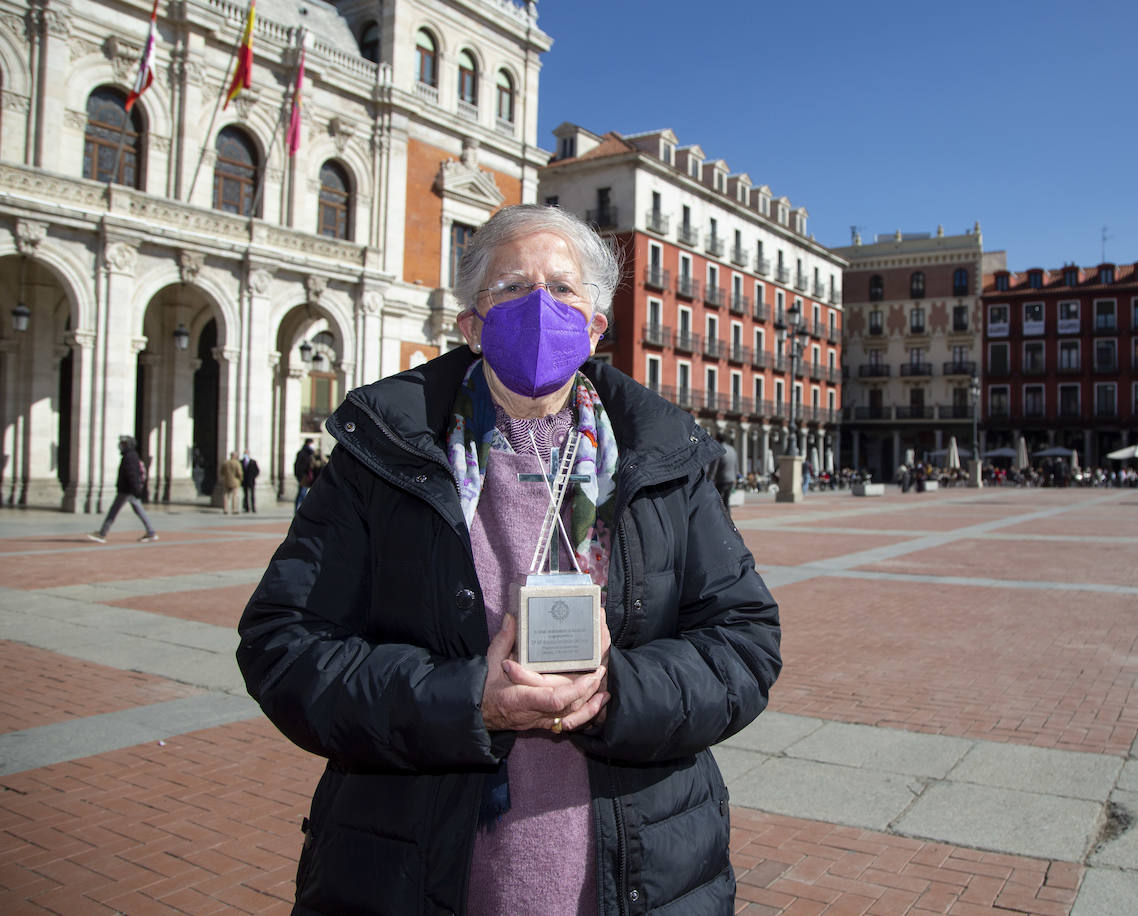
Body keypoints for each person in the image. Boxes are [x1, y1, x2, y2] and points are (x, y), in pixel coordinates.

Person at [237, 204, 782, 915]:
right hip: (415, 873)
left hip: (639, 877)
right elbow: (283, 646)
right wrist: (466, 700)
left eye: (561, 289)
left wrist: (619, 690)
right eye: (510, 288)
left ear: (593, 328)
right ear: (471, 325)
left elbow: (745, 642)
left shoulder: (666, 461)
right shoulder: (382, 457)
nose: (537, 306)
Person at [87, 436, 157, 543]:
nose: (121, 446)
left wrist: (135, 489)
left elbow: (132, 474)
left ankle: (102, 534)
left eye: (124, 444)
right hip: (129, 490)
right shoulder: (131, 456)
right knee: (138, 510)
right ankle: (151, 531)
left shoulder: (129, 457)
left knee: (113, 511)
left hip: (126, 491)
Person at [713, 438, 738, 518]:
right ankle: (728, 516)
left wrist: (710, 478)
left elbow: (715, 467)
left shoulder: (719, 449)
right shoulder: (732, 450)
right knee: (727, 500)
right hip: (731, 479)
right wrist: (735, 477)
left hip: (722, 479)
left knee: (719, 500)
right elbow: (736, 465)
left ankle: (721, 517)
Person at [293, 438, 315, 511]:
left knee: (302, 493)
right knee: (302, 493)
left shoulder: (310, 453)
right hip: (304, 475)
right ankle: (300, 510)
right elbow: (298, 465)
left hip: (306, 475)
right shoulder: (303, 453)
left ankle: (300, 510)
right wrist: (300, 475)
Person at [219, 450, 243, 515]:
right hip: (235, 481)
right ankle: (234, 509)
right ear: (235, 456)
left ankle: (225, 509)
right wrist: (241, 479)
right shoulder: (237, 463)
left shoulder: (226, 463)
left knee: (226, 495)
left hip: (227, 480)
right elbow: (239, 473)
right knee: (234, 496)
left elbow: (222, 472)